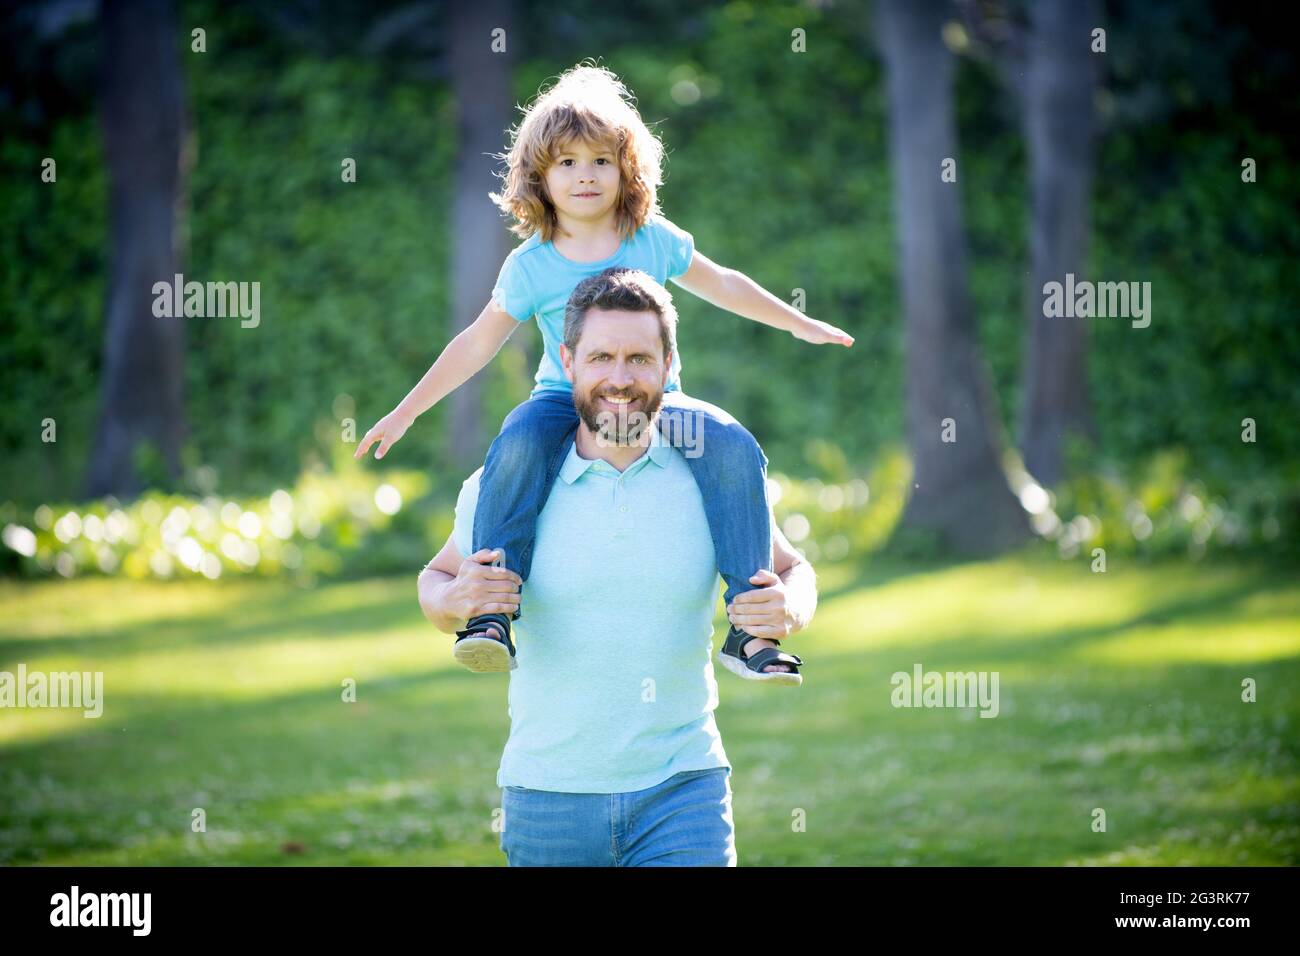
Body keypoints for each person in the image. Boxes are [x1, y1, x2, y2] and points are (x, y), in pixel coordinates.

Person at [360, 62, 849, 679]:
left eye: (600, 161)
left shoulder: (649, 237)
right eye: (566, 162)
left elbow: (722, 283)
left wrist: (797, 322)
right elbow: (476, 343)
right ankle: (490, 616)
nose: (585, 175)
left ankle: (751, 633)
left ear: (627, 170)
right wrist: (406, 410)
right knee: (514, 448)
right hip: (562, 401)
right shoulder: (530, 265)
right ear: (539, 176)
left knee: (730, 443)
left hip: (656, 401)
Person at [417, 269, 818, 865]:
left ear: (668, 364)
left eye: (639, 358)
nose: (620, 379)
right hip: (546, 795)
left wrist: (791, 607)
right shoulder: (507, 482)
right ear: (568, 362)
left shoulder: (712, 477)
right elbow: (436, 579)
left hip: (684, 791)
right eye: (601, 357)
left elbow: (794, 569)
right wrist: (454, 603)